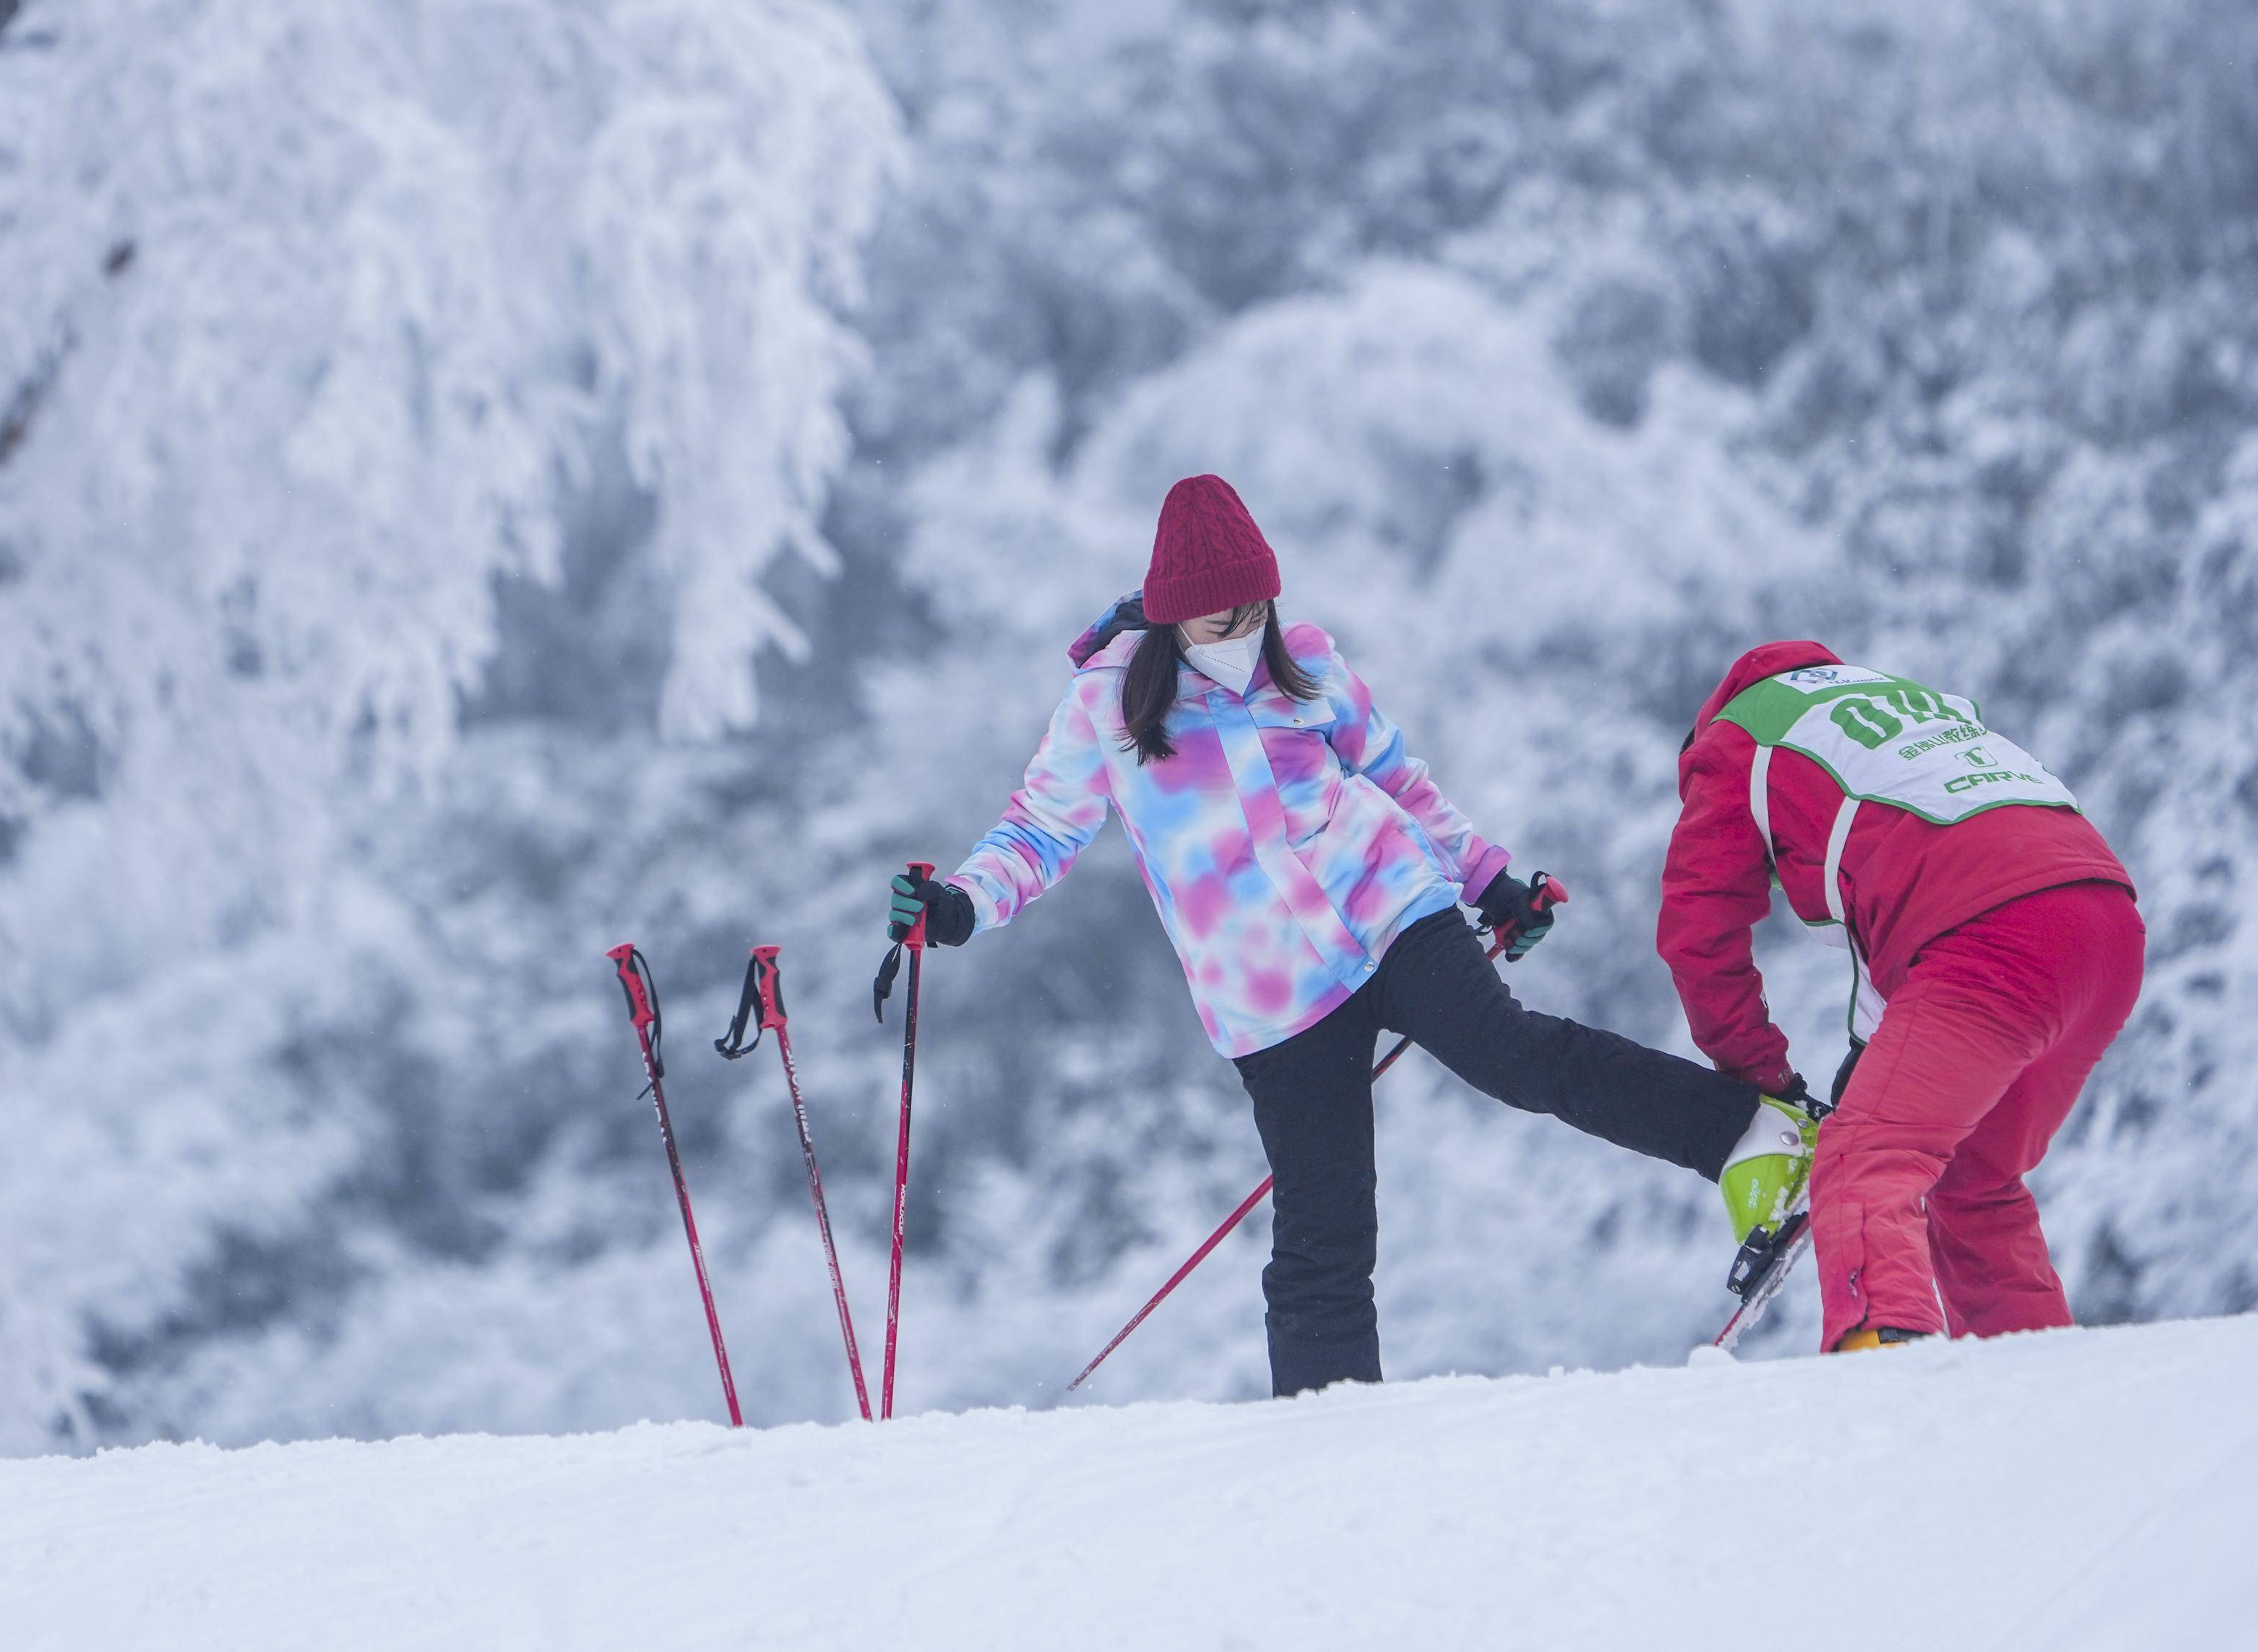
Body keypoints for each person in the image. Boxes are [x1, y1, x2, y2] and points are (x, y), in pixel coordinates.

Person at [887, 474, 1805, 1395]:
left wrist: (1489, 879)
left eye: (1254, 613)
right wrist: (962, 903)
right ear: (1170, 622)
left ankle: (1752, 1139)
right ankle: (1330, 1436)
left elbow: (1400, 781)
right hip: (1273, 1000)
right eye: (1216, 625)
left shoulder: (1309, 661)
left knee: (1519, 1058)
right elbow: (1039, 829)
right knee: (1324, 1235)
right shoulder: (1109, 705)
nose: (1240, 639)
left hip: (1389, 908)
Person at [1656, 641, 2145, 1353]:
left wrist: (1764, 1081)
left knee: (1861, 1163)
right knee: (1974, 1181)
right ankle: (2038, 1390)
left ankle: (1879, 1362)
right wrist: (1859, 1075)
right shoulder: (1900, 700)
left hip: (1991, 938)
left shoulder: (1735, 740)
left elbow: (1699, 938)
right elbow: (1913, 879)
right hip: (2105, 923)